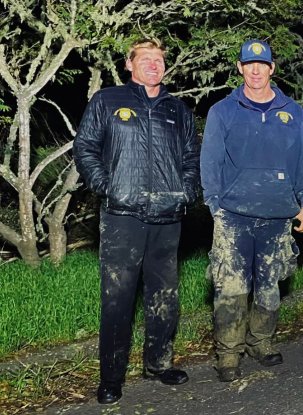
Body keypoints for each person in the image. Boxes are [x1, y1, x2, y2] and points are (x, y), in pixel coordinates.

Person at [74, 38, 197, 404]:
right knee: (118, 300)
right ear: (130, 65)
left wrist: (187, 190)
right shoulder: (108, 101)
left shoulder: (177, 109)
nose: (153, 65)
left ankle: (159, 364)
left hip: (167, 218)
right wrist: (106, 187)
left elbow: (192, 155)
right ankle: (111, 376)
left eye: (159, 59)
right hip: (122, 217)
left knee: (164, 296)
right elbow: (85, 147)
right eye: (145, 59)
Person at [200, 39, 303, 382]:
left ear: (271, 69)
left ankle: (260, 341)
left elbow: (302, 161)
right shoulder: (223, 111)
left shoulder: (292, 111)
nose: (255, 71)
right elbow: (211, 160)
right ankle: (229, 352)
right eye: (249, 64)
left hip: (277, 216)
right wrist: (215, 205)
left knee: (269, 286)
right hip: (233, 215)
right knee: (231, 287)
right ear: (240, 68)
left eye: (262, 65)